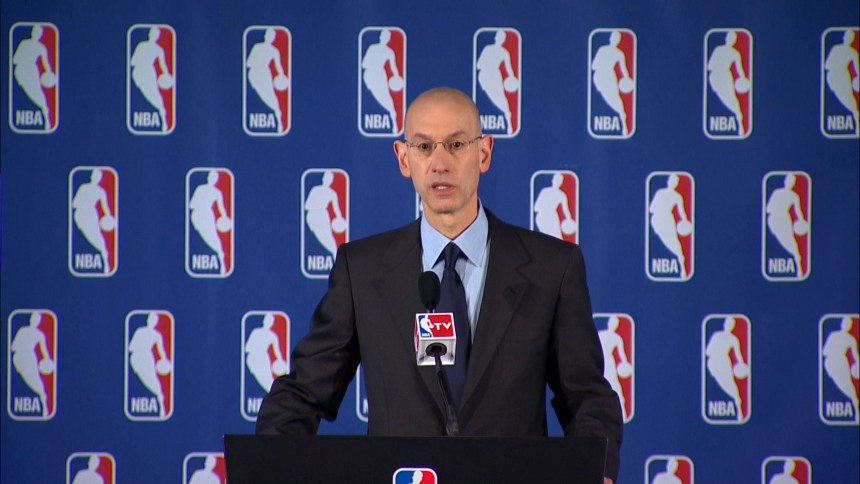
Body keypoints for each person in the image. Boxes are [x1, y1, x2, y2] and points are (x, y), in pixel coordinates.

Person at [256, 87, 622, 482]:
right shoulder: (361, 271)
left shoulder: (552, 268)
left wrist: (595, 471)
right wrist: (267, 467)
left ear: (484, 153)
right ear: (404, 158)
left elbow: (586, 398)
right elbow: (303, 393)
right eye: (424, 146)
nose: (440, 163)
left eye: (456, 144)